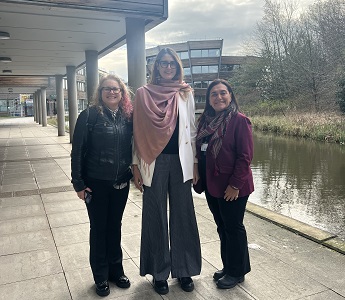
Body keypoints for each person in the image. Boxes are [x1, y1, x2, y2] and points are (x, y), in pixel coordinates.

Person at [132, 47, 201, 295]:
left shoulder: (185, 93)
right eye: (163, 63)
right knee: (155, 217)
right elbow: (136, 132)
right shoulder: (142, 93)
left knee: (183, 215)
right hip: (153, 161)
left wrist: (194, 164)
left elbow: (192, 130)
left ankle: (184, 270)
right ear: (157, 67)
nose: (168, 67)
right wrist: (135, 166)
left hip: (181, 162)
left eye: (172, 63)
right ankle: (158, 272)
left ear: (177, 66)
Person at [71, 74, 133, 297]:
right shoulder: (88, 116)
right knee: (99, 229)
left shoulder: (128, 116)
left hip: (120, 182)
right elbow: (77, 151)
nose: (112, 92)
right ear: (100, 92)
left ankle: (116, 272)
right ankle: (100, 276)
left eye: (116, 89)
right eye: (107, 89)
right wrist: (78, 183)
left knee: (114, 227)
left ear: (122, 92)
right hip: (95, 184)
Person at [195, 79, 254, 289]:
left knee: (233, 228)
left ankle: (236, 273)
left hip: (233, 187)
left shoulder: (239, 121)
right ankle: (229, 266)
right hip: (213, 185)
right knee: (223, 227)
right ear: (209, 100)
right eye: (214, 94)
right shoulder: (206, 122)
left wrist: (235, 185)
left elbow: (245, 157)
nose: (218, 97)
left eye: (223, 93)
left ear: (230, 95)